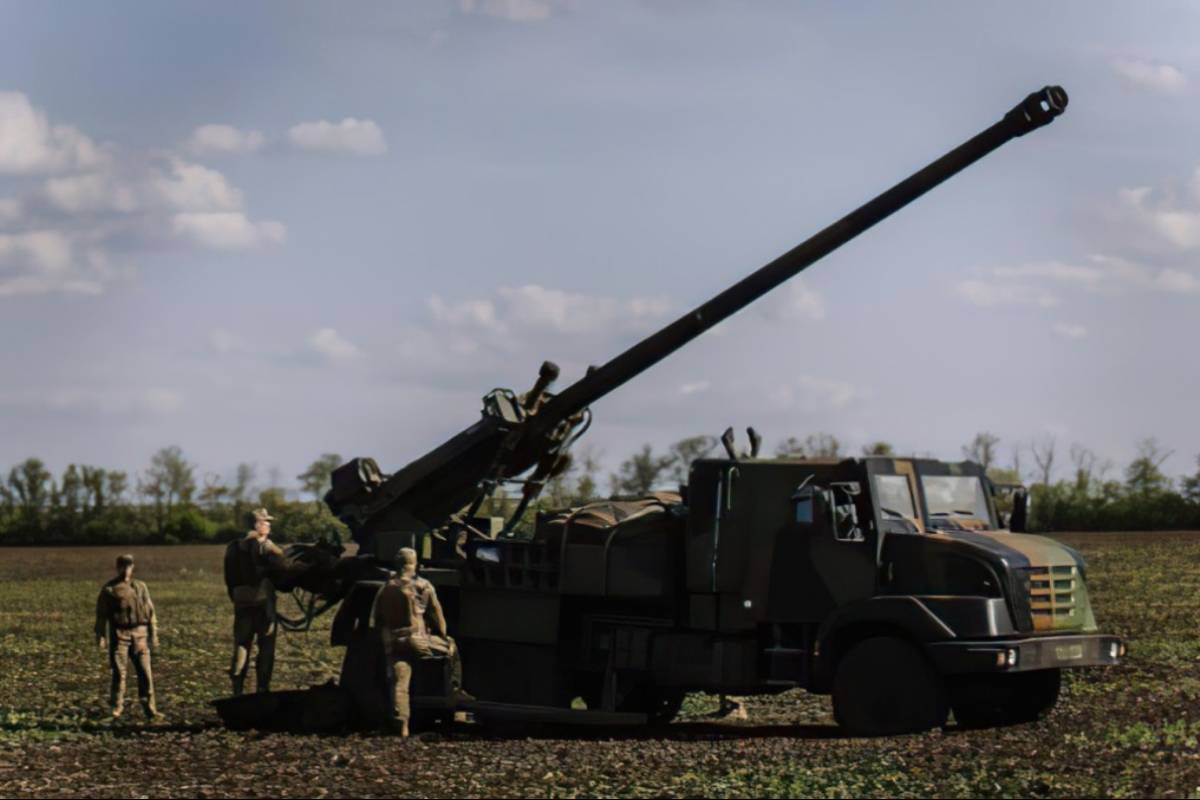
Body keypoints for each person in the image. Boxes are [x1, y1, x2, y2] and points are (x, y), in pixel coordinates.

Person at [371, 547, 469, 736]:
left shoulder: (385, 587)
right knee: (451, 650)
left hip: (394, 640)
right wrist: (443, 636)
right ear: (414, 563)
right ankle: (455, 691)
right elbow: (436, 613)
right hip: (418, 639)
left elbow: (377, 618)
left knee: (400, 682)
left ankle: (402, 722)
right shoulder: (423, 585)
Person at [223, 507, 288, 696]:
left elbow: (229, 577)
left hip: (241, 602)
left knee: (242, 645)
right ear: (257, 524)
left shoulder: (232, 547)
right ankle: (262, 689)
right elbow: (284, 565)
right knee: (266, 648)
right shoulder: (266, 546)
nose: (268, 525)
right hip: (263, 604)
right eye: (266, 521)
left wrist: (235, 597)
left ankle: (237, 690)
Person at [94, 553, 162, 720]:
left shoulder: (141, 586)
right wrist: (101, 635)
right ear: (118, 567)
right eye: (123, 566)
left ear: (132, 567)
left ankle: (149, 708)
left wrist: (154, 633)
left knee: (146, 673)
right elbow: (101, 615)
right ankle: (116, 708)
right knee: (119, 673)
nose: (126, 569)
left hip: (140, 635)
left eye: (129, 566)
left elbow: (150, 611)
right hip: (120, 634)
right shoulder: (109, 589)